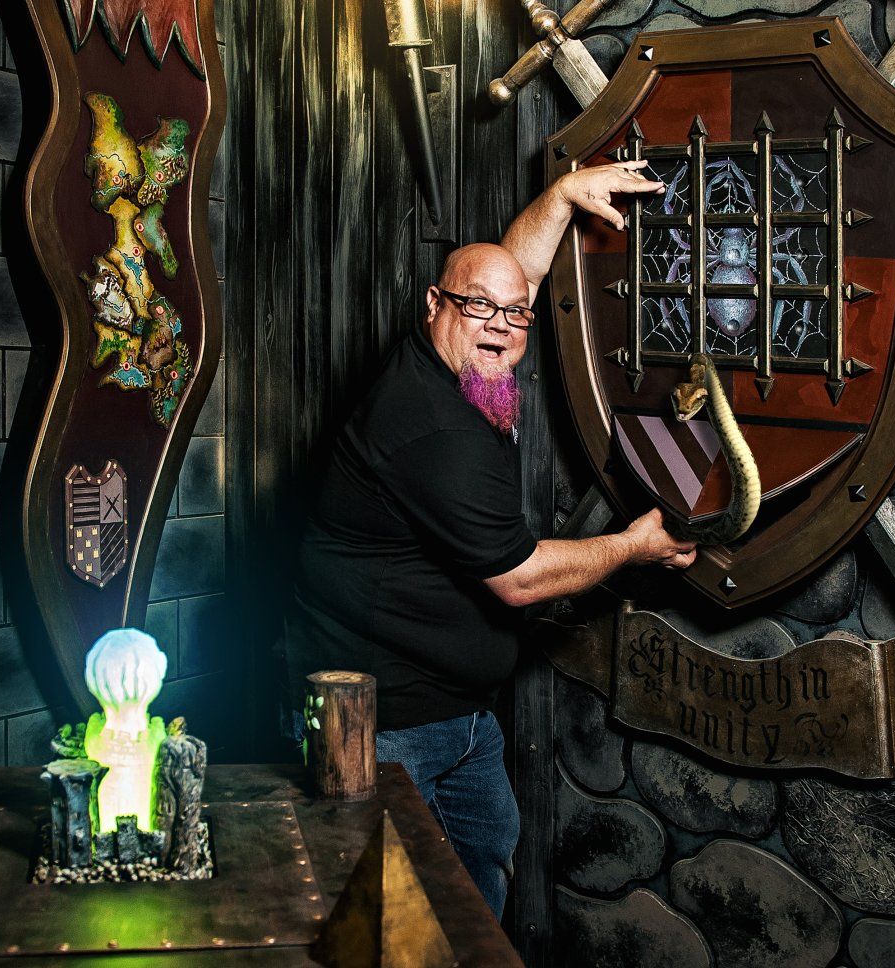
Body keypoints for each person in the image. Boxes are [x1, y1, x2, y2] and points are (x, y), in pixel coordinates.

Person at [286, 161, 698, 917]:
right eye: (479, 309)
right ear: (433, 306)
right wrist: (635, 547)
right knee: (409, 919)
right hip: (388, 725)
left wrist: (560, 199)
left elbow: (509, 281)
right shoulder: (432, 427)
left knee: (477, 882)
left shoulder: (461, 358)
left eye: (517, 316)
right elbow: (518, 577)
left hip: (457, 714)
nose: (502, 328)